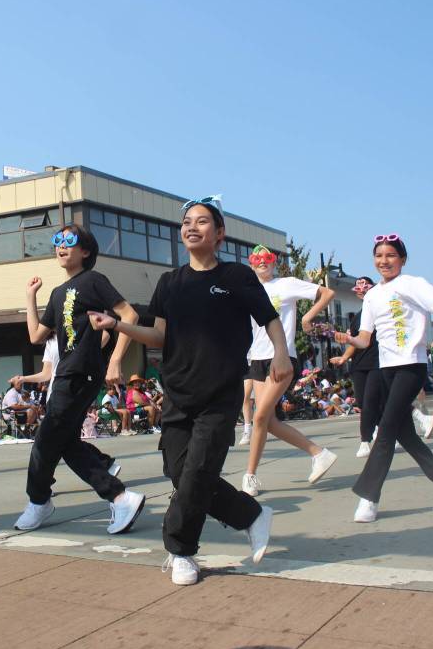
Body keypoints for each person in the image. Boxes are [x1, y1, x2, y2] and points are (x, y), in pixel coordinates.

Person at [89, 195, 287, 585]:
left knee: (197, 471)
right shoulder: (170, 282)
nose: (191, 227)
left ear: (220, 233)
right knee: (181, 473)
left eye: (201, 222)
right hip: (177, 393)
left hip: (220, 392)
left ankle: (180, 551)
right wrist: (116, 326)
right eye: (186, 223)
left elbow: (269, 318)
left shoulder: (236, 277)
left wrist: (282, 354)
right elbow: (158, 334)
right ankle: (250, 515)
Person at [14, 224, 145, 534]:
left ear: (85, 250)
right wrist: (31, 296)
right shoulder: (59, 293)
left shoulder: (94, 281)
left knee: (47, 439)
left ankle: (39, 500)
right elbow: (36, 335)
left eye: (69, 241)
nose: (61, 245)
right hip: (66, 372)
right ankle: (118, 495)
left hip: (81, 370)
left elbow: (130, 316)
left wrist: (115, 358)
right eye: (57, 241)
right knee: (63, 441)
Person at [334, 235, 433, 523]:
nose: (384, 261)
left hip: (411, 366)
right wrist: (346, 338)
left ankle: (368, 497)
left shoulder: (412, 284)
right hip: (386, 368)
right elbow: (366, 339)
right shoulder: (371, 295)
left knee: (386, 432)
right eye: (379, 255)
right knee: (404, 433)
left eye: (391, 255)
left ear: (402, 259)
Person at [241, 245, 337, 496]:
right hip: (256, 359)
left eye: (267, 259)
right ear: (251, 264)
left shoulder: (287, 284)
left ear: (274, 263)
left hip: (281, 357)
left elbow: (326, 293)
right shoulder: (249, 290)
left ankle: (250, 475)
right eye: (256, 259)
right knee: (267, 420)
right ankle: (318, 453)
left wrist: (307, 318)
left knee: (260, 417)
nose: (262, 262)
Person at [12, 334, 121, 473]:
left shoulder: (76, 331)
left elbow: (105, 335)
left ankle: (42, 485)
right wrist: (23, 379)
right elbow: (47, 373)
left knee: (46, 442)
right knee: (65, 441)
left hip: (71, 393)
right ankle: (104, 464)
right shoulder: (51, 341)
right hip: (54, 394)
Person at [330, 276, 384, 458]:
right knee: (362, 403)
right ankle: (381, 431)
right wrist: (344, 358)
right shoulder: (358, 316)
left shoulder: (381, 310)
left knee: (372, 402)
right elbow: (354, 341)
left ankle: (364, 440)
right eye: (358, 289)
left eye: (365, 288)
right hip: (359, 365)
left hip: (378, 362)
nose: (361, 291)